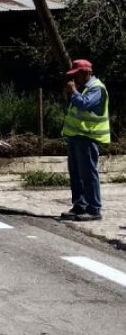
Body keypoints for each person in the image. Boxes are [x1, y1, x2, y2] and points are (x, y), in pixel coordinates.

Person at [60, 59, 110, 222]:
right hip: (76, 137)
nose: (75, 79)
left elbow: (84, 105)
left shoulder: (96, 88)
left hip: (88, 137)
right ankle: (80, 205)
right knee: (76, 174)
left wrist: (73, 92)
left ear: (86, 72)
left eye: (77, 75)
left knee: (88, 174)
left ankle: (93, 208)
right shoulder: (85, 88)